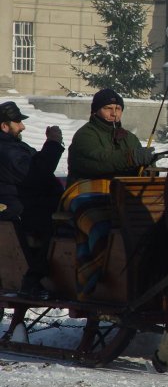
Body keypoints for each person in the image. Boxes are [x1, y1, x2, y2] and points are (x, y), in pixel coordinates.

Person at [65, 89, 154, 299]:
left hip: (120, 196)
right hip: (84, 193)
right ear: (96, 111)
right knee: (102, 225)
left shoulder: (129, 138)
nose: (114, 113)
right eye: (108, 108)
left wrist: (147, 163)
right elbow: (99, 160)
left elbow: (136, 166)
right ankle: (98, 278)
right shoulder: (85, 135)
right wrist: (132, 158)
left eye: (118, 108)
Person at [0, 101, 65, 300]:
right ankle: (34, 278)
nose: (23, 127)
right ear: (4, 126)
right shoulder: (6, 150)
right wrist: (53, 144)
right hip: (16, 207)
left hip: (25, 202)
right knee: (55, 223)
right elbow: (35, 173)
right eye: (18, 122)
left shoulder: (13, 146)